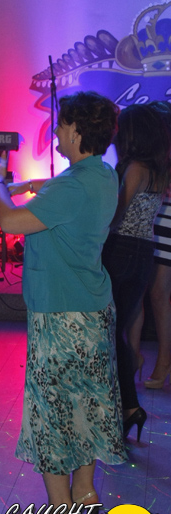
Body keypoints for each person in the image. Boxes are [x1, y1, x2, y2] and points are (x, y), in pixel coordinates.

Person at [0, 91, 126, 514]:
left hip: (61, 315)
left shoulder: (72, 187)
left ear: (77, 132)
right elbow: (66, 191)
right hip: (93, 310)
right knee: (84, 406)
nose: (58, 132)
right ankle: (84, 494)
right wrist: (36, 186)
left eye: (63, 125)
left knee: (51, 413)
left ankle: (57, 512)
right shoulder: (103, 174)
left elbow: (10, 222)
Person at [102, 104, 171, 439]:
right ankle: (128, 406)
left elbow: (116, 215)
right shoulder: (156, 169)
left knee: (110, 330)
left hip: (122, 250)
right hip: (143, 251)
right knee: (116, 328)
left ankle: (125, 405)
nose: (116, 134)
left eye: (120, 128)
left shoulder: (134, 168)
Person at [127, 102, 171, 390]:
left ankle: (163, 360)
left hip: (165, 218)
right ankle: (136, 358)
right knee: (145, 293)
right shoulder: (154, 149)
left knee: (157, 293)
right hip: (157, 217)